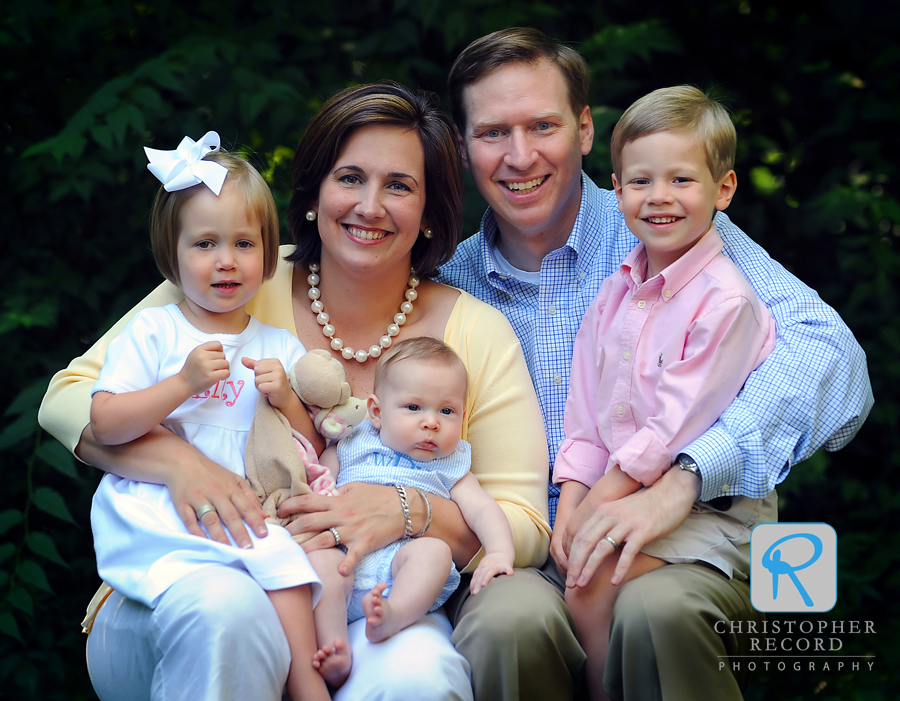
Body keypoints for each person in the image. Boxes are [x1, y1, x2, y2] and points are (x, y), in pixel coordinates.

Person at [39, 81, 549, 701]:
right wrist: (178, 462)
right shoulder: (240, 271)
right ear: (313, 195)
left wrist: (407, 511)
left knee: (423, 673)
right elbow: (67, 399)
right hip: (192, 580)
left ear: (431, 212)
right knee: (228, 614)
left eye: (399, 185)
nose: (370, 205)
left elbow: (525, 523)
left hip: (361, 601)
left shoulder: (475, 330)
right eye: (350, 177)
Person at [437, 27, 873, 701]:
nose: (520, 156)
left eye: (543, 125)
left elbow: (831, 355)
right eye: (493, 132)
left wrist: (686, 478)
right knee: (505, 624)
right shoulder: (450, 283)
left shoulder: (664, 217)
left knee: (657, 611)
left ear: (584, 129)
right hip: (524, 549)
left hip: (678, 536)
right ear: (464, 148)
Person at [551, 86, 778, 700]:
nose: (659, 198)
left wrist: (598, 506)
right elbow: (587, 415)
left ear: (723, 190)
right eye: (641, 181)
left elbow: (677, 424)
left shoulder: (726, 301)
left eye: (681, 180)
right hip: (617, 496)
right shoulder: (616, 293)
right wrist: (571, 501)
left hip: (707, 513)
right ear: (617, 190)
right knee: (575, 566)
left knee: (592, 580)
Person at [87, 133, 329, 701]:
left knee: (288, 570)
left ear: (269, 256)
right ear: (172, 256)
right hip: (167, 512)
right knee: (226, 592)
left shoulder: (278, 345)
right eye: (205, 244)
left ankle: (303, 678)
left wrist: (289, 401)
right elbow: (106, 423)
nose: (226, 260)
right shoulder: (155, 332)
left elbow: (313, 445)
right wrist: (181, 384)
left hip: (251, 510)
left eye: (244, 243)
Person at [309, 336, 515, 689]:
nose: (431, 423)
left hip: (400, 571)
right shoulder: (352, 442)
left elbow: (482, 509)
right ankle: (333, 644)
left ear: (462, 417)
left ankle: (394, 616)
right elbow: (319, 480)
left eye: (446, 411)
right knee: (321, 562)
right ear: (376, 411)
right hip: (344, 554)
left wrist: (499, 552)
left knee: (433, 551)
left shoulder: (450, 464)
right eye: (414, 408)